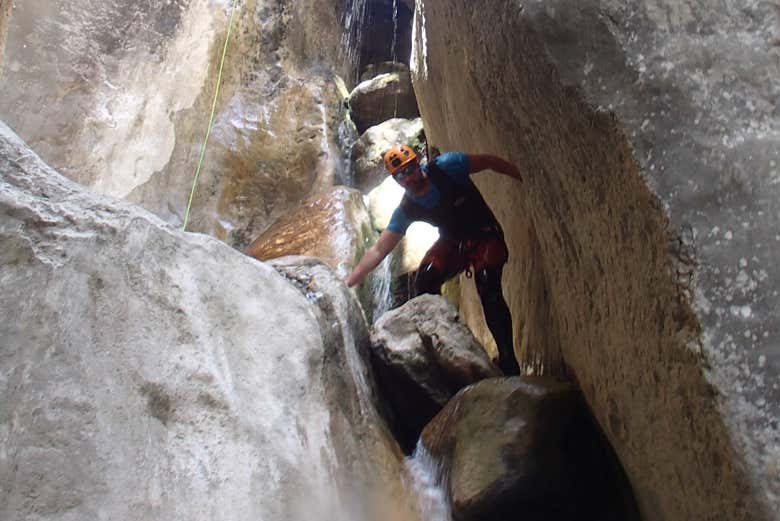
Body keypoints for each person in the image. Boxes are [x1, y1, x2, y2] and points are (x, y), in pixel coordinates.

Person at [345, 144, 523, 375]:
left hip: (484, 235)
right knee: (425, 280)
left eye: (409, 170)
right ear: (396, 180)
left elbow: (488, 161)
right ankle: (446, 344)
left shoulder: (449, 166)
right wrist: (349, 281)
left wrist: (522, 175)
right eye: (400, 175)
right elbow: (379, 250)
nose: (407, 178)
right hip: (454, 243)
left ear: (418, 163)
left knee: (488, 286)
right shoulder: (407, 208)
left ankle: (509, 360)